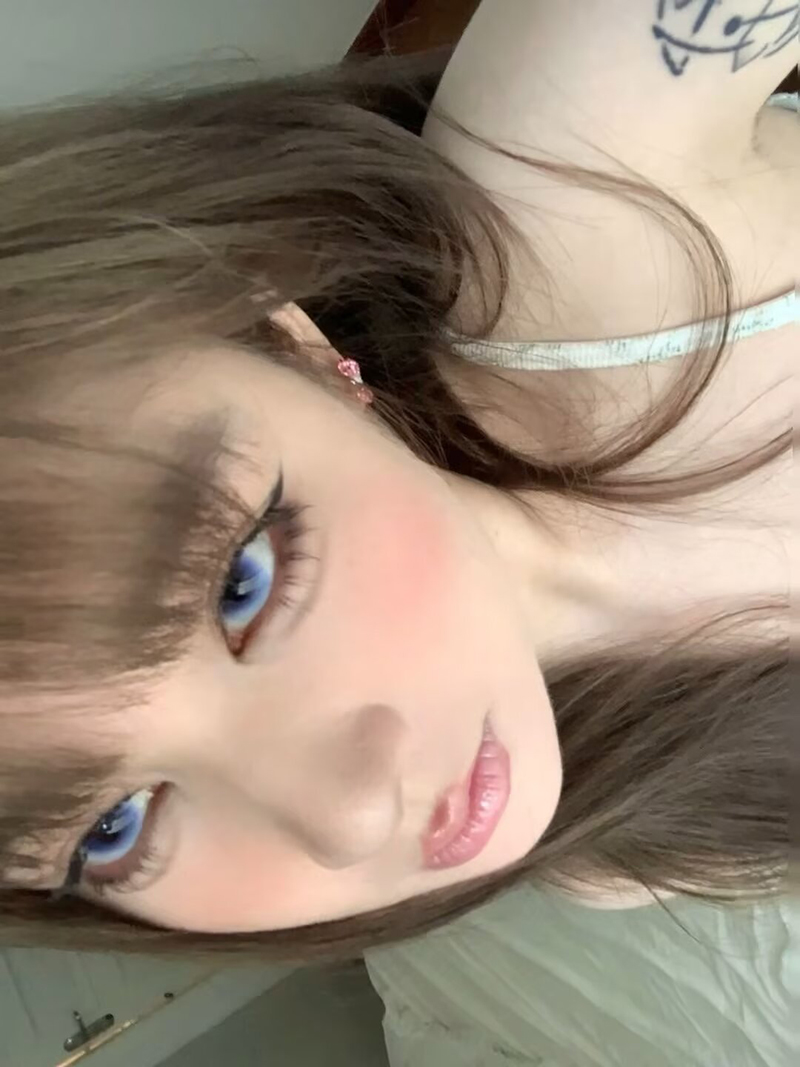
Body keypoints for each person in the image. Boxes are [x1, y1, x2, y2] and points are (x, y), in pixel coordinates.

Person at [0, 1, 795, 1062]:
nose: (351, 818)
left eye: (242, 581)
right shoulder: (630, 839)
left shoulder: (578, 159)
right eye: (113, 828)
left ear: (289, 340)